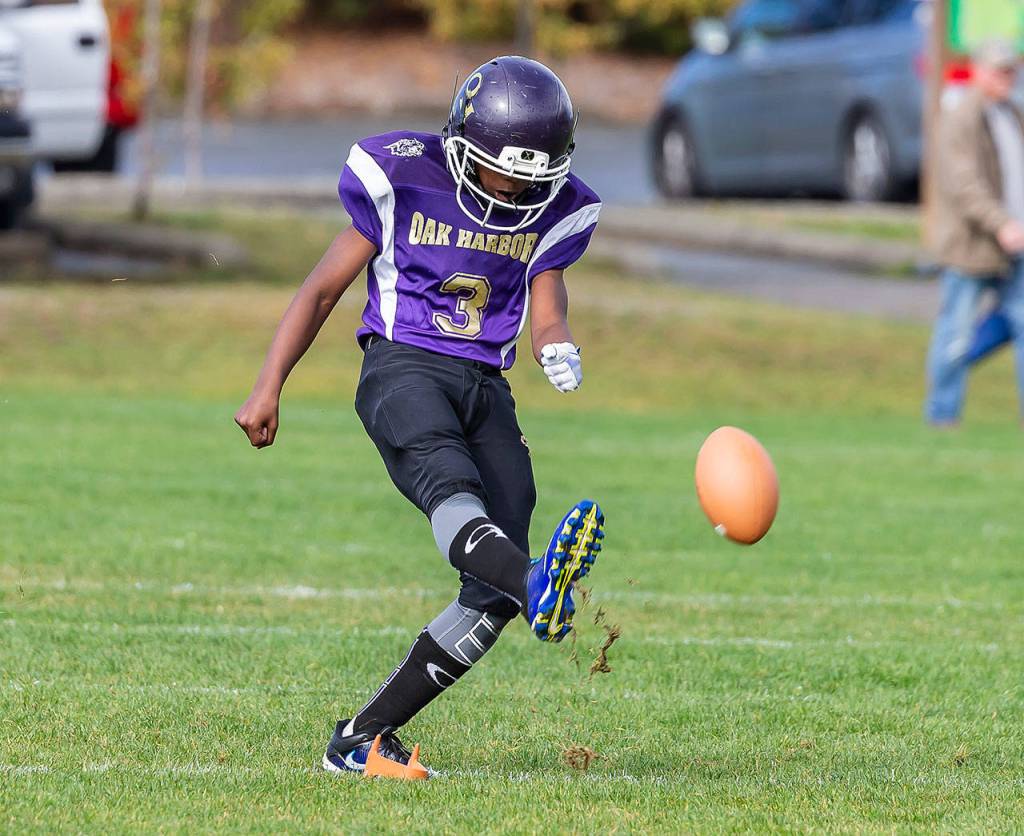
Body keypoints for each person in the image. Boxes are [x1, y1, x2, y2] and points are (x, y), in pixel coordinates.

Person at [233, 56, 605, 775]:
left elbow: (548, 297)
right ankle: (537, 586)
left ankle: (361, 737)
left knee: (491, 585)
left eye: (533, 177)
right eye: (504, 172)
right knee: (456, 494)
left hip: (486, 385)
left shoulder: (554, 209)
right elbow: (320, 290)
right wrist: (268, 383)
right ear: (464, 145)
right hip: (403, 367)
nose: (517, 190)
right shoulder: (404, 175)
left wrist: (556, 344)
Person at [926, 39, 1024, 424]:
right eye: (999, 70)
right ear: (979, 71)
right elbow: (964, 184)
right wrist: (1000, 224)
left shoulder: (1011, 113)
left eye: (1011, 70)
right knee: (955, 336)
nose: (1007, 77)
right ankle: (941, 416)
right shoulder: (961, 116)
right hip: (972, 247)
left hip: (1014, 246)